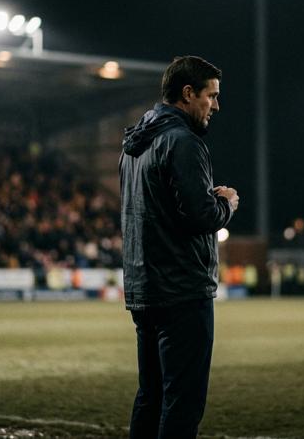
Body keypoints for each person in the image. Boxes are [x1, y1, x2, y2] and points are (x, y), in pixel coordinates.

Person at [119, 55, 239, 439]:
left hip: (144, 288)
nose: (216, 106)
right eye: (211, 96)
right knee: (182, 402)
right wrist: (226, 204)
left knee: (150, 396)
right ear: (188, 94)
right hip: (182, 290)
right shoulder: (184, 141)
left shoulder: (134, 145)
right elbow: (200, 216)